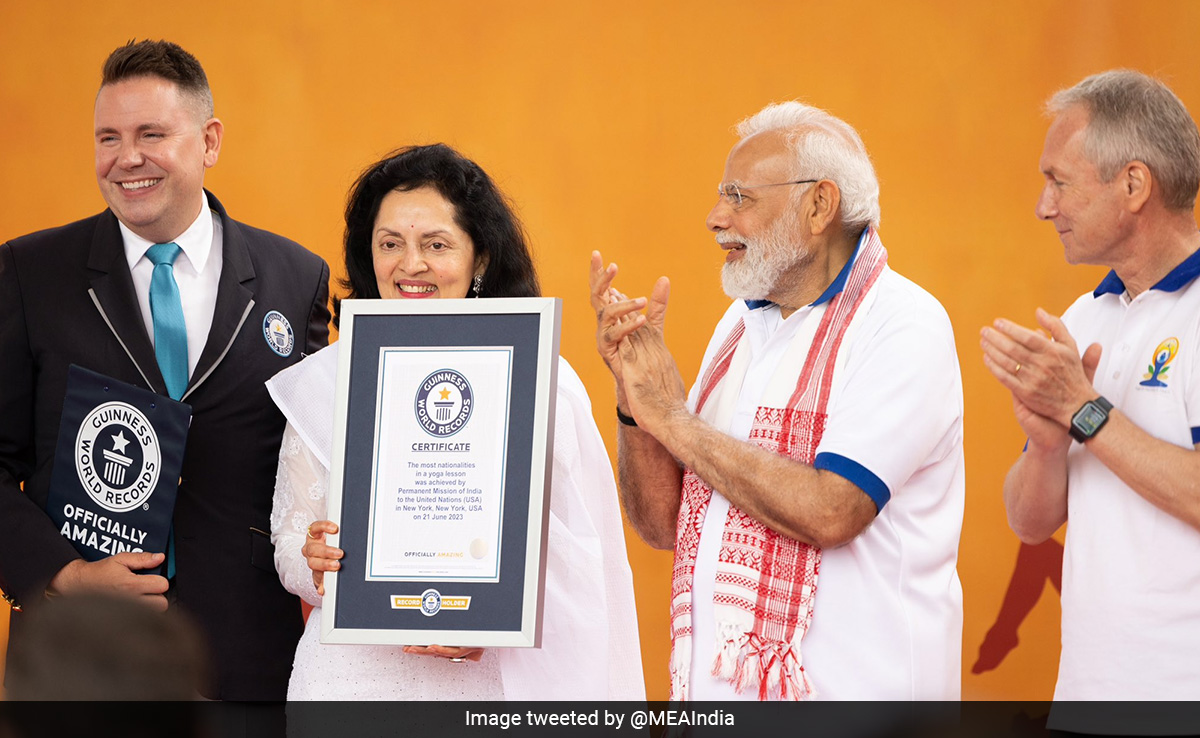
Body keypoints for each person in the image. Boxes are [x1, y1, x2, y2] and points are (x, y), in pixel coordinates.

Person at [592, 101, 964, 700]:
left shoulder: (903, 322)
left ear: (819, 205)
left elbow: (832, 510)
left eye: (739, 196)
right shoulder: (738, 326)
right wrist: (636, 403)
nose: (716, 217)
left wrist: (674, 422)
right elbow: (665, 525)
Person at [0, 40, 331, 701]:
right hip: (78, 663)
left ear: (209, 141)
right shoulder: (28, 275)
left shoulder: (296, 278)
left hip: (245, 664)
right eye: (108, 138)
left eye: (152, 134)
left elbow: (322, 456)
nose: (126, 158)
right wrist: (63, 575)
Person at [266, 143, 644, 700]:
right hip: (349, 689)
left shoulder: (540, 376)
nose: (410, 265)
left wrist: (494, 617)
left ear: (480, 259)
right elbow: (289, 543)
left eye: (436, 245)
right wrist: (315, 562)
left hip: (490, 686)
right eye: (389, 243)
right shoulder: (328, 380)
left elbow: (583, 559)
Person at [982, 70, 1200, 701]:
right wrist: (1049, 444)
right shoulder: (1083, 318)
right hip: (1088, 693)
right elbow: (1029, 523)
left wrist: (1084, 411)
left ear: (1133, 184)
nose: (1042, 206)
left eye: (1058, 181)